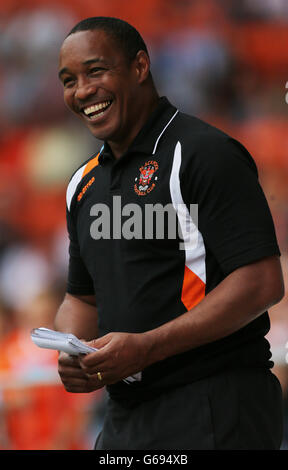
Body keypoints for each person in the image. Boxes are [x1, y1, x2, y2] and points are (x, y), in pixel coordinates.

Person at [55, 16, 285, 450]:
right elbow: (79, 298)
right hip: (126, 414)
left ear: (140, 67)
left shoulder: (204, 152)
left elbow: (262, 283)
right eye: (69, 80)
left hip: (214, 402)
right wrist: (74, 351)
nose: (82, 91)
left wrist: (146, 348)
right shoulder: (83, 184)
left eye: (96, 71)